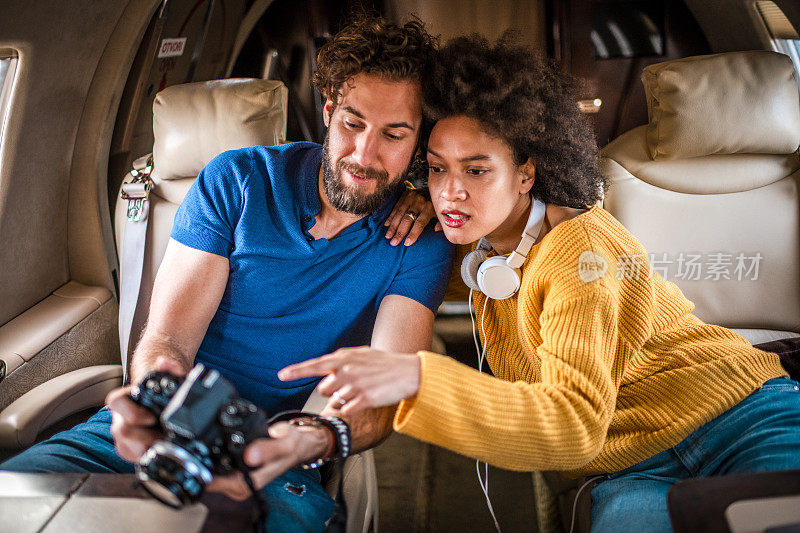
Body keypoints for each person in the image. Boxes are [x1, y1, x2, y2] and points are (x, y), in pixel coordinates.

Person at [280, 35, 800, 532]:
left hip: (739, 417)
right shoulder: (481, 244)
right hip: (627, 467)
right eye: (437, 170)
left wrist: (417, 378)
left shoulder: (581, 249)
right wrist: (413, 194)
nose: (450, 194)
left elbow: (573, 423)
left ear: (527, 174)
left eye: (477, 171)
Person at [0, 16, 453, 532]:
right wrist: (158, 403)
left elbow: (386, 387)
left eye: (393, 135)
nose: (364, 155)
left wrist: (315, 437)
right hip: (163, 429)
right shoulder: (235, 180)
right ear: (328, 112)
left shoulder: (421, 240)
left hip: (279, 461)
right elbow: (168, 338)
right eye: (352, 124)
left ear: (419, 146)